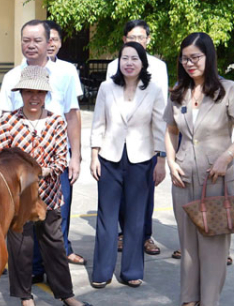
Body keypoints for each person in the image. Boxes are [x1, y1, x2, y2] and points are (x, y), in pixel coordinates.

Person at [0, 65, 96, 306]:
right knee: (21, 250)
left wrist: (34, 172)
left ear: (46, 94)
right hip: (18, 201)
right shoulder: (10, 121)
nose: (33, 98)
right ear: (20, 93)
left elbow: (61, 160)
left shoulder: (56, 121)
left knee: (56, 247)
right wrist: (15, 175)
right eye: (28, 92)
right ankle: (26, 298)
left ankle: (66, 295)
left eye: (39, 93)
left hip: (49, 196)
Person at [164, 33, 234, 306]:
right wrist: (170, 161)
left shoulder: (227, 90)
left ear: (209, 57)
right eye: (185, 58)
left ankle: (209, 302)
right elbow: (170, 130)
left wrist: (226, 157)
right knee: (187, 241)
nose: (189, 63)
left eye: (195, 57)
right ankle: (189, 297)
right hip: (183, 175)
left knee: (213, 243)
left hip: (216, 178)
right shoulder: (178, 91)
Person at [90, 41, 166, 288]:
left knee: (135, 218)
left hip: (141, 160)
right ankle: (102, 271)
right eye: (125, 58)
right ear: (118, 62)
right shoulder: (106, 87)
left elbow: (160, 126)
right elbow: (98, 123)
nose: (129, 63)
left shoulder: (153, 90)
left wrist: (161, 160)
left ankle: (132, 271)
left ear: (143, 62)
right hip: (109, 158)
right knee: (106, 217)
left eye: (134, 58)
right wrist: (94, 156)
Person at [108, 20, 168, 257]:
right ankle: (123, 233)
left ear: (148, 40)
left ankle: (145, 235)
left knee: (146, 190)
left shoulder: (158, 67)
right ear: (124, 40)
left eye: (140, 37)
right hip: (118, 140)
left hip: (147, 140)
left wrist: (161, 149)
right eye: (131, 37)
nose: (136, 41)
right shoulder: (114, 65)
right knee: (122, 191)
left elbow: (162, 109)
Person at [42, 20, 84, 265]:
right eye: (46, 39)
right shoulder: (24, 69)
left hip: (61, 150)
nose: (51, 44)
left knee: (63, 205)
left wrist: (75, 155)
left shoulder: (68, 70)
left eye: (54, 39)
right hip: (34, 150)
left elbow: (73, 113)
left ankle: (64, 250)